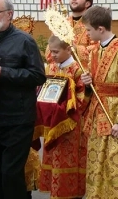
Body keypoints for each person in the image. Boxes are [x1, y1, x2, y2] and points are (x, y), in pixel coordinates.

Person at [80, 6, 118, 199]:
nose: (87, 34)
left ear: (100, 29)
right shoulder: (95, 51)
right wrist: (88, 85)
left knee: (116, 164)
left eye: (89, 30)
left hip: (115, 116)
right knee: (98, 162)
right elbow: (96, 85)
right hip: (98, 113)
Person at [0, 0, 46, 199]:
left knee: (10, 172)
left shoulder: (25, 41)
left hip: (17, 118)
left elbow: (38, 76)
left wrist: (4, 73)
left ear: (10, 14)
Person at [38, 35, 87, 199]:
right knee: (53, 158)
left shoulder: (78, 69)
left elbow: (83, 98)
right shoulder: (50, 68)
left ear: (68, 49)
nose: (53, 55)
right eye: (51, 52)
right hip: (52, 124)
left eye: (56, 52)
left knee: (69, 160)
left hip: (71, 125)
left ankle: (73, 194)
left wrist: (65, 109)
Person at [45, 0, 96, 69]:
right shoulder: (61, 24)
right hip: (62, 73)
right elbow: (49, 51)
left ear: (87, 4)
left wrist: (76, 48)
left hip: (83, 74)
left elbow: (96, 51)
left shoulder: (94, 24)